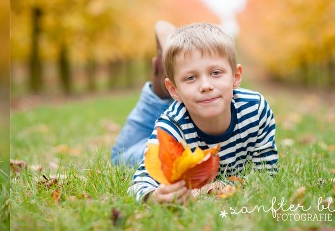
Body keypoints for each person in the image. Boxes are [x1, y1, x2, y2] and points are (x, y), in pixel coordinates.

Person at [112, 22, 277, 204]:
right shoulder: (170, 126)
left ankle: (175, 70)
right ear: (173, 89)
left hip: (186, 109)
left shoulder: (255, 109)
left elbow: (266, 174)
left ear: (235, 77)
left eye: (215, 72)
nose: (206, 86)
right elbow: (140, 183)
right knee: (121, 155)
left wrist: (221, 187)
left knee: (190, 96)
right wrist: (154, 196)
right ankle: (160, 87)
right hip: (173, 132)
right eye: (191, 77)